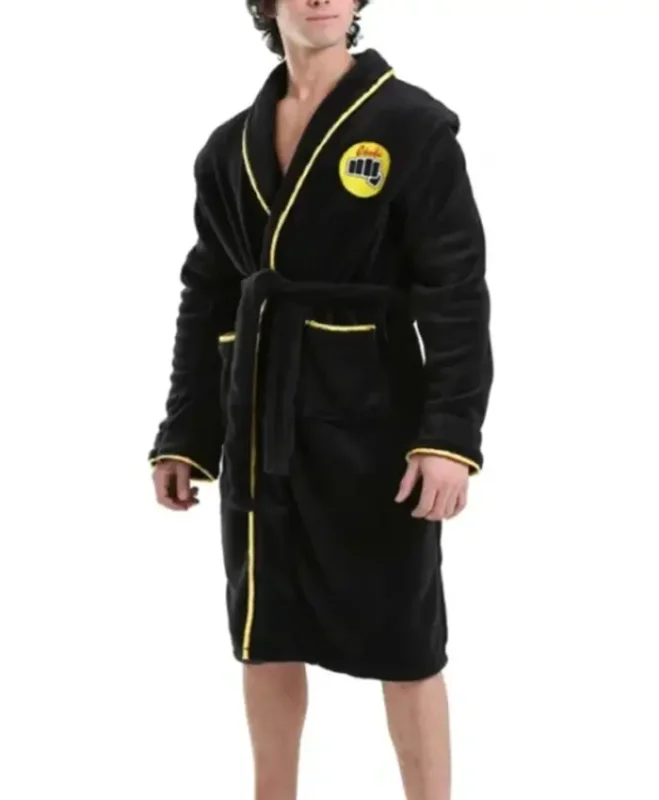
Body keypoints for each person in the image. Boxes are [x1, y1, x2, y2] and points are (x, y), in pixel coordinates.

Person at [148, 1, 493, 797]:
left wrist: (448, 436)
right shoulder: (227, 147)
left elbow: (455, 292)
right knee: (265, 631)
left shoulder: (411, 126)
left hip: (374, 425)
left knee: (404, 638)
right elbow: (207, 294)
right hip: (259, 422)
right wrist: (185, 435)